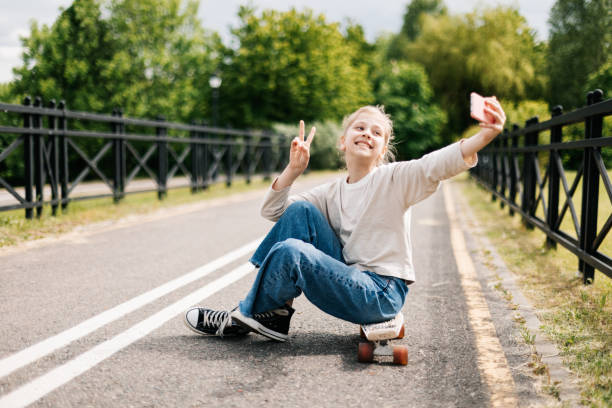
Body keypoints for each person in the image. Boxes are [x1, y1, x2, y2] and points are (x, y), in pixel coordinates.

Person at [184, 98, 506, 342]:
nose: (367, 134)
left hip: (380, 292)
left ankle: (242, 315)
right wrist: (293, 170)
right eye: (360, 128)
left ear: (382, 149)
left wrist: (484, 136)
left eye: (377, 133)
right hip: (349, 276)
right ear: (343, 141)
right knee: (300, 212)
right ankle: (273, 313)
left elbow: (434, 165)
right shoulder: (332, 191)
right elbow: (273, 214)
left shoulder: (394, 179)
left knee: (292, 251)